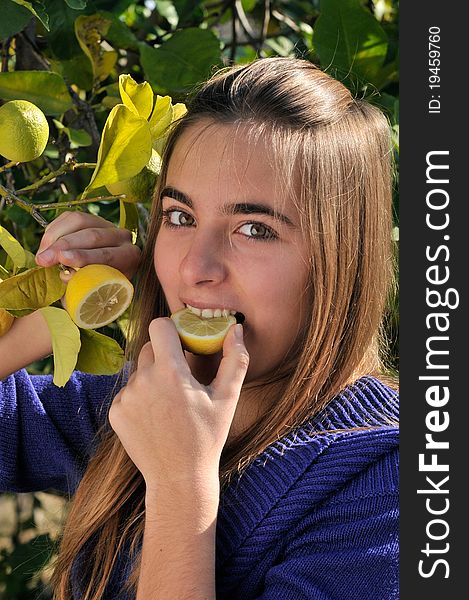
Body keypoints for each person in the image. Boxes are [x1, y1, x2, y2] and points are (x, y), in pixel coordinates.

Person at [0, 57, 399, 599]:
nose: (193, 268)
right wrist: (48, 314)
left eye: (254, 229)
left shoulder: (391, 481)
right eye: (180, 217)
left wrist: (179, 483)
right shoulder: (134, 411)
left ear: (342, 261)